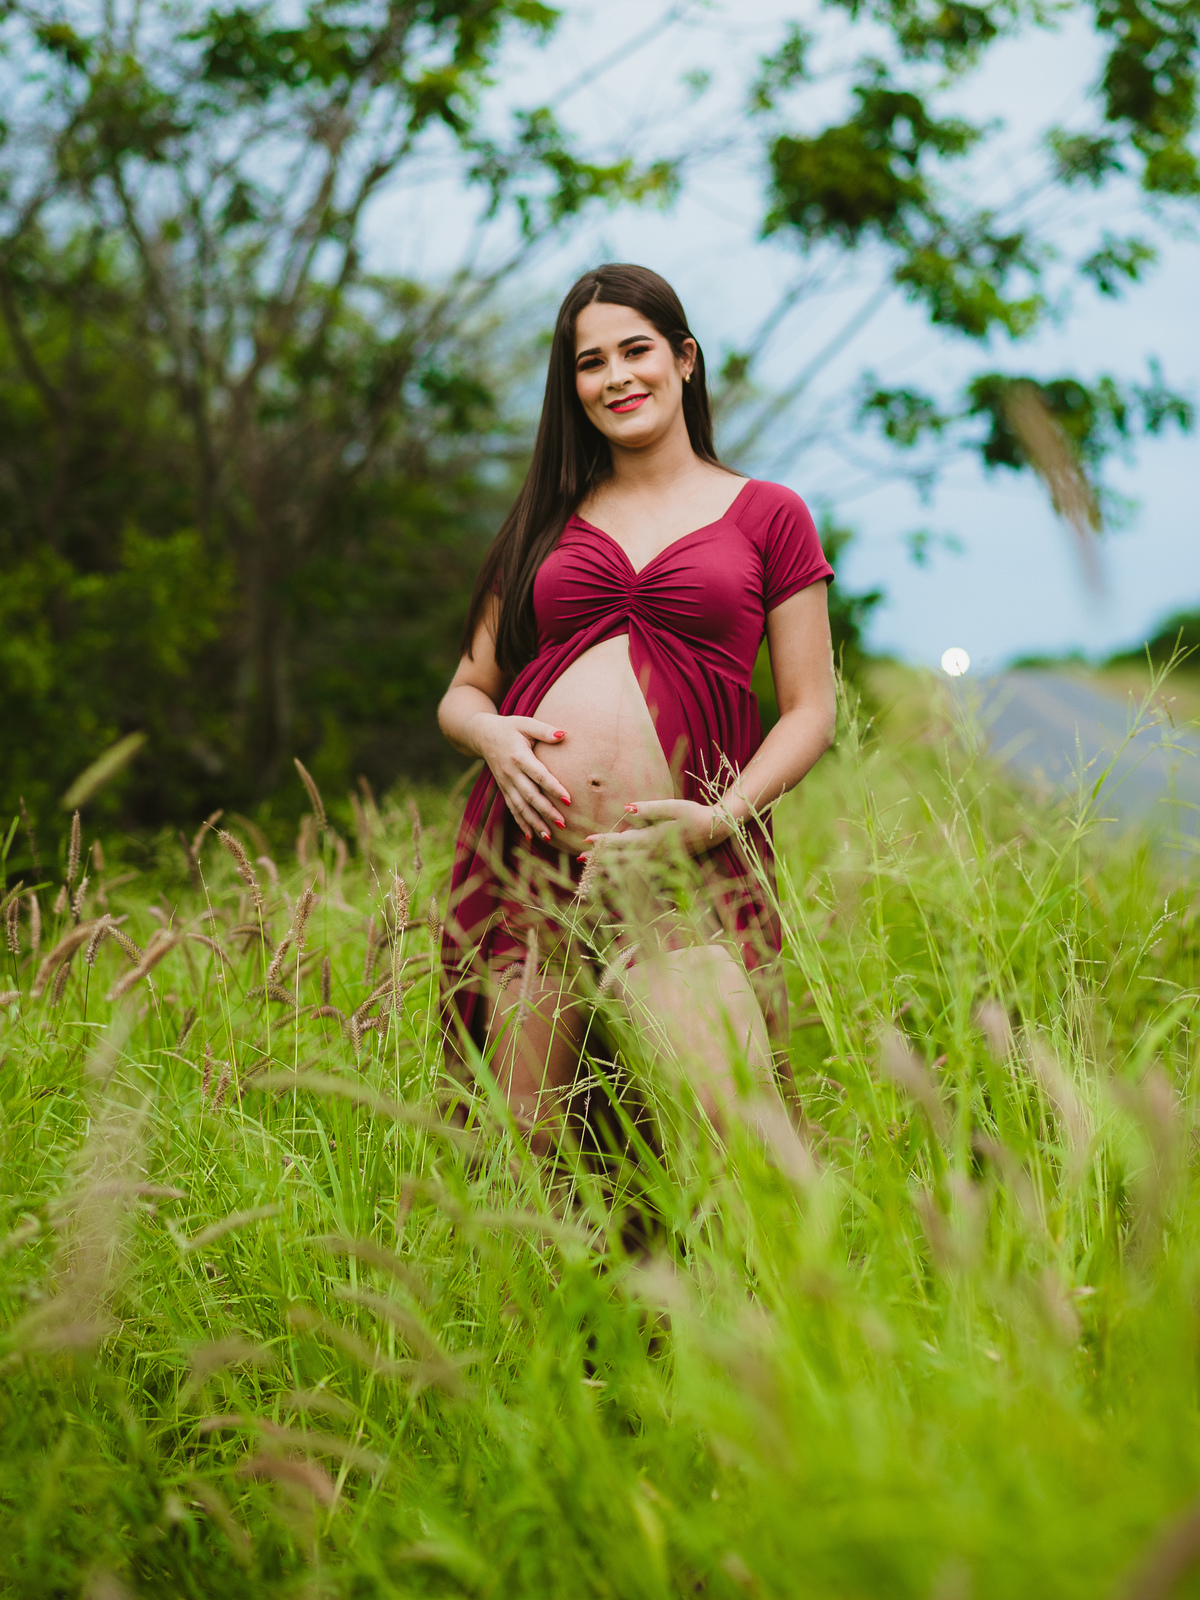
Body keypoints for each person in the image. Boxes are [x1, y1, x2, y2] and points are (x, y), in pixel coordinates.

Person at [437, 263, 836, 1152]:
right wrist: (492, 736)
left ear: (684, 359)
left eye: (635, 351)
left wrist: (719, 819)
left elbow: (811, 710)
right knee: (532, 1153)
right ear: (572, 386)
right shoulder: (543, 519)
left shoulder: (769, 514)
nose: (615, 377)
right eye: (590, 363)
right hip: (534, 874)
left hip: (680, 869)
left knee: (736, 1138)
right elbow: (464, 693)